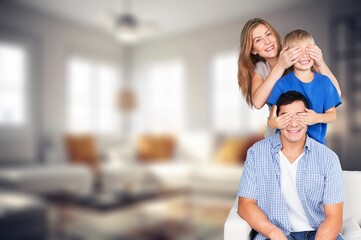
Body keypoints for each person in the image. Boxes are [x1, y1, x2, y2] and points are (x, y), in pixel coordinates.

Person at [237, 91, 344, 240]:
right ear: (276, 118)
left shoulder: (328, 158)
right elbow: (245, 205)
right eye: (286, 117)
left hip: (319, 233)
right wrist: (274, 233)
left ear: (309, 117)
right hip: (275, 233)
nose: (293, 124)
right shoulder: (256, 153)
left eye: (300, 116)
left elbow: (334, 217)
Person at [237, 18, 341, 137]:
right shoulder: (261, 68)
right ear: (253, 50)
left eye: (268, 34)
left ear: (275, 36)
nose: (267, 42)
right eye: (258, 40)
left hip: (310, 136)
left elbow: (336, 93)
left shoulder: (299, 57)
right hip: (278, 136)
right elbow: (257, 102)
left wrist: (320, 62)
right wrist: (280, 66)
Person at [267, 29, 342, 145]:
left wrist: (317, 118)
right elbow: (271, 121)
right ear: (287, 56)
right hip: (286, 147)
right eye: (297, 52)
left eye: (308, 50)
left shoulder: (325, 82)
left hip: (316, 146)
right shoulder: (281, 84)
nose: (304, 56)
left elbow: (332, 115)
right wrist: (275, 123)